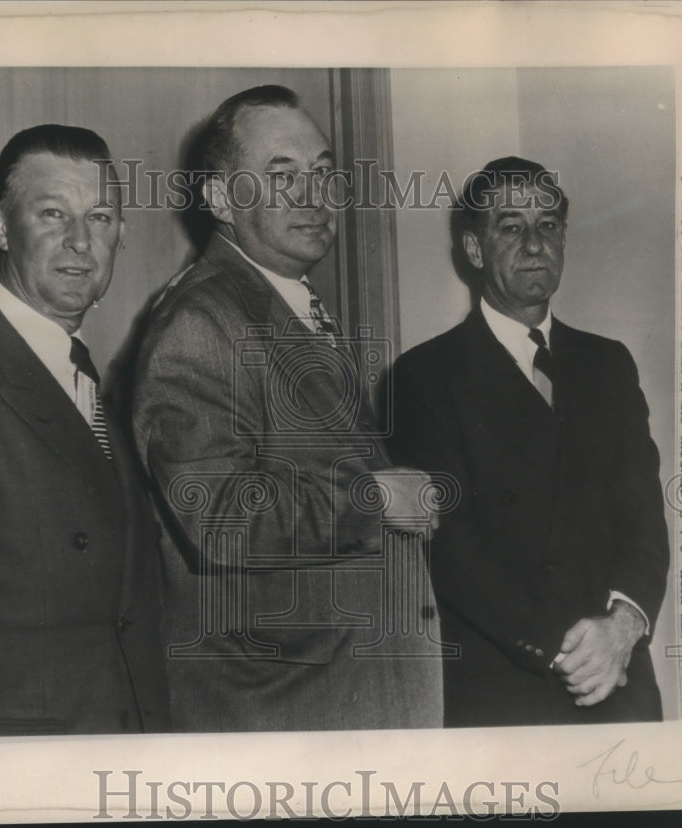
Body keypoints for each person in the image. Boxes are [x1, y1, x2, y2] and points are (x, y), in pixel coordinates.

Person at [132, 85, 444, 732]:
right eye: (281, 176)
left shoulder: (286, 301)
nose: (313, 195)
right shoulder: (201, 320)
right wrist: (375, 500)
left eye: (323, 172)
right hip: (284, 712)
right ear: (221, 199)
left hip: (338, 696)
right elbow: (219, 516)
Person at [0, 124, 169, 737]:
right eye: (51, 214)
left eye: (100, 217)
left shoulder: (84, 377)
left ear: (121, 234)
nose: (80, 241)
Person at [389, 156, 669, 727]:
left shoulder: (608, 363)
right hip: (507, 689)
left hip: (620, 676)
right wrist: (568, 652)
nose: (535, 244)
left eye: (548, 226)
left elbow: (643, 513)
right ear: (474, 249)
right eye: (512, 227)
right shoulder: (424, 375)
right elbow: (450, 545)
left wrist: (625, 625)